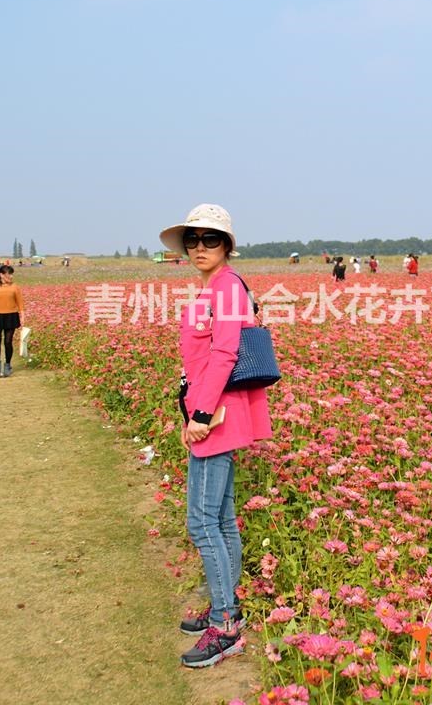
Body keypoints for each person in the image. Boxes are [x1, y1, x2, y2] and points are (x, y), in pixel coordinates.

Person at [158, 203, 272, 669]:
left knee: (202, 521)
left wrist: (200, 413)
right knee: (221, 517)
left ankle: (226, 626)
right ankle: (229, 606)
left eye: (210, 239)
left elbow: (225, 354)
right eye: (193, 239)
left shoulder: (225, 288)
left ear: (226, 245)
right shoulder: (217, 286)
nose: (199, 247)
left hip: (216, 415)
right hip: (220, 411)